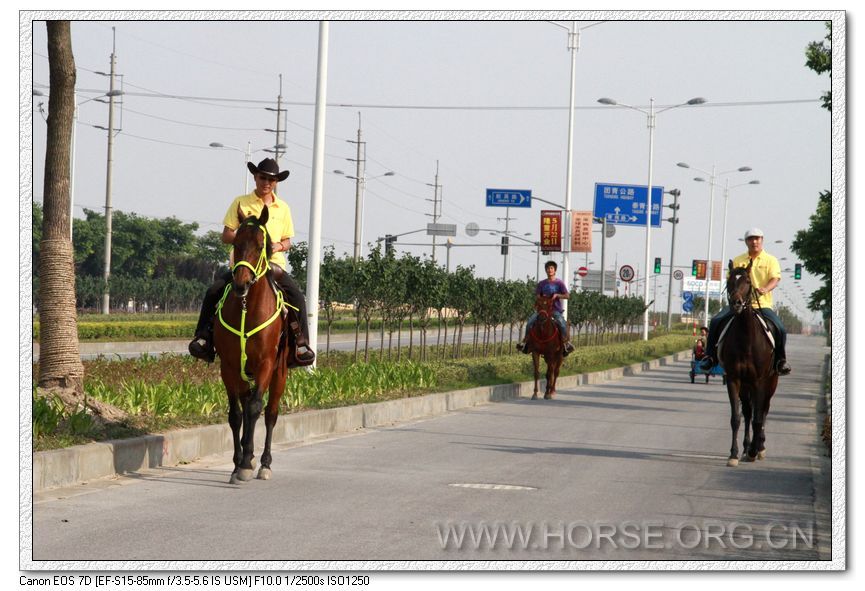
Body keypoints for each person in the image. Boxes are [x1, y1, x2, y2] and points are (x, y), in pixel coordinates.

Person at [189, 158, 315, 366]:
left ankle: (300, 344)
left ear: (276, 183)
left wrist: (277, 246)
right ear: (255, 177)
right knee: (213, 292)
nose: (266, 182)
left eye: (271, 180)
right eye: (263, 177)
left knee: (297, 297)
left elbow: (288, 241)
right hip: (244, 265)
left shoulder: (283, 208)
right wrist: (244, 238)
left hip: (272, 265)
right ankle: (203, 338)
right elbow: (226, 235)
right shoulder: (241, 202)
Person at [699, 228, 791, 375]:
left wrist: (766, 288)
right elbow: (731, 279)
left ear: (762, 240)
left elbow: (775, 279)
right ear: (746, 242)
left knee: (780, 328)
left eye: (757, 238)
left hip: (762, 305)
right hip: (737, 304)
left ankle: (781, 361)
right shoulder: (738, 260)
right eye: (750, 239)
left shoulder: (771, 260)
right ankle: (709, 357)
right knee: (715, 321)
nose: (754, 241)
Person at [516, 260, 576, 356]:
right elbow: (537, 296)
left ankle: (566, 343)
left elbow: (567, 295)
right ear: (546, 270)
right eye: (548, 268)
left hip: (554, 310)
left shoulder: (559, 283)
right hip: (542, 310)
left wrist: (557, 295)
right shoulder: (542, 284)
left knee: (562, 323)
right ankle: (525, 343)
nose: (550, 270)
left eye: (551, 268)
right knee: (530, 322)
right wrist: (542, 298)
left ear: (555, 270)